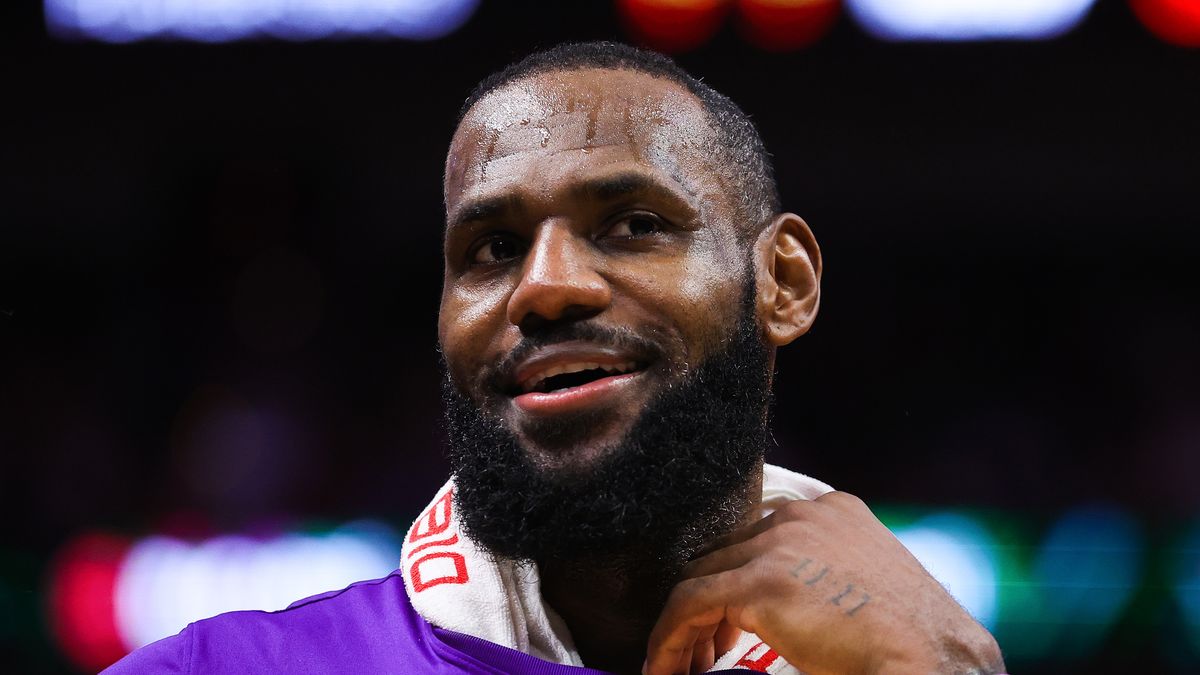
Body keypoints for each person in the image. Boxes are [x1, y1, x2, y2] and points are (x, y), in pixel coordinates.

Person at [104, 41, 1006, 675]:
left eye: (634, 225)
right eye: (492, 247)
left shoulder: (912, 649)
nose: (545, 286)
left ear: (783, 281)